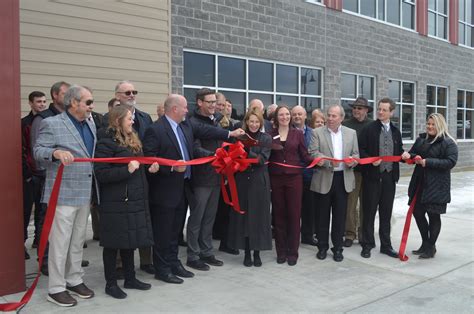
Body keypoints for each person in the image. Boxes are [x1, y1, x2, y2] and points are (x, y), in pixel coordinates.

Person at [142, 94, 244, 284]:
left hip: (183, 187)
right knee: (163, 232)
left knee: (175, 231)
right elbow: (149, 160)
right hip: (164, 191)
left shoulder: (186, 125)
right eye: (184, 108)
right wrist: (171, 167)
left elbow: (207, 130)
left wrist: (230, 134)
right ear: (174, 109)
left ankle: (174, 263)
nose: (187, 111)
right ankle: (162, 268)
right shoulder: (155, 130)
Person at [33, 85, 97, 307]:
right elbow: (38, 151)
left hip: (84, 192)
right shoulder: (51, 123)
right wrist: (55, 153)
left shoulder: (90, 123)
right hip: (62, 194)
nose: (92, 106)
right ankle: (56, 288)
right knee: (60, 243)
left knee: (78, 240)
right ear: (74, 103)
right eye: (88, 102)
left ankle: (74, 279)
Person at [94, 106, 159, 299]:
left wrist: (149, 169)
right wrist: (126, 170)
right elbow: (101, 173)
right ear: (117, 121)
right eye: (129, 119)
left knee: (130, 240)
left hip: (135, 199)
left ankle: (130, 278)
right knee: (113, 244)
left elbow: (138, 167)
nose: (132, 121)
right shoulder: (106, 142)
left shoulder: (133, 139)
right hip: (116, 202)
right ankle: (110, 283)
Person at [108, 80, 155, 275]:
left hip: (143, 176)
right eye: (127, 92)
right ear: (117, 95)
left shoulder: (145, 117)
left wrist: (151, 162)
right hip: (121, 181)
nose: (131, 95)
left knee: (144, 219)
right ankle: (120, 265)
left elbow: (151, 144)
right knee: (123, 224)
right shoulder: (107, 120)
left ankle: (146, 261)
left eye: (134, 92)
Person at [401, 113, 458, 259]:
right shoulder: (422, 139)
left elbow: (450, 162)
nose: (430, 127)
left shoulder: (448, 142)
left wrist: (428, 162)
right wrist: (408, 156)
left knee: (433, 216)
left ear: (440, 126)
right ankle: (425, 243)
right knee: (418, 213)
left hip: (437, 186)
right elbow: (414, 154)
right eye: (428, 124)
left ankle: (431, 246)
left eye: (433, 124)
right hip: (420, 184)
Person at [29, 81, 71, 275]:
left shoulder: (70, 117)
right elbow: (37, 150)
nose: (69, 97)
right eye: (65, 94)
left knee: (64, 225)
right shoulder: (43, 119)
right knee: (46, 220)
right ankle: (45, 259)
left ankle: (64, 258)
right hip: (48, 178)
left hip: (68, 180)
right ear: (55, 95)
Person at [309, 104, 359, 262]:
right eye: (328, 115)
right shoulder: (317, 132)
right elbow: (313, 153)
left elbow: (356, 154)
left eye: (333, 116)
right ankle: (322, 247)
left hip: (343, 180)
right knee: (322, 217)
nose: (330, 118)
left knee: (340, 217)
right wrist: (329, 163)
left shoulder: (351, 133)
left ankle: (338, 248)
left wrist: (353, 162)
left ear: (341, 118)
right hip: (324, 178)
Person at [186, 88, 226, 271]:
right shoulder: (192, 123)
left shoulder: (216, 121)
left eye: (214, 102)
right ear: (200, 103)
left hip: (216, 176)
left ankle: (207, 251)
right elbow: (195, 150)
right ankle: (193, 255)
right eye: (209, 102)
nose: (213, 105)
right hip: (201, 178)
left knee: (210, 217)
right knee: (197, 217)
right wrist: (215, 156)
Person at [359, 98, 404, 259]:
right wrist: (371, 160)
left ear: (391, 112)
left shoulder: (396, 131)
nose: (380, 112)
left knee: (386, 213)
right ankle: (367, 244)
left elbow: (399, 152)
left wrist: (405, 155)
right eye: (379, 109)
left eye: (384, 110)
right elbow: (361, 150)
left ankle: (386, 245)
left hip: (389, 178)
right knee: (369, 213)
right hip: (372, 177)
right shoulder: (368, 129)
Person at [268, 105, 313, 266]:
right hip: (276, 178)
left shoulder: (298, 134)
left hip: (294, 180)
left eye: (287, 114)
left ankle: (293, 252)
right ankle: (281, 251)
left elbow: (305, 154)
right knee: (279, 216)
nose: (285, 117)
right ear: (276, 117)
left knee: (294, 216)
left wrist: (319, 160)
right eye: (281, 114)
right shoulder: (270, 134)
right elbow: (266, 155)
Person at [227, 108, 272, 267]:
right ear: (246, 122)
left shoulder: (266, 138)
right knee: (244, 217)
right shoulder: (238, 137)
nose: (254, 124)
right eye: (251, 121)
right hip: (242, 180)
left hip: (259, 181)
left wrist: (247, 150)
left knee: (258, 217)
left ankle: (257, 252)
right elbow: (231, 156)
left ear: (261, 123)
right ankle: (246, 251)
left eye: (257, 121)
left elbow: (261, 159)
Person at [341, 97, 373, 247]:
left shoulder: (373, 125)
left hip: (368, 172)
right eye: (354, 108)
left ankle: (363, 233)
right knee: (350, 204)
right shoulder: (345, 125)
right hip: (351, 171)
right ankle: (349, 233)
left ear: (366, 110)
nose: (356, 111)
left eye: (360, 108)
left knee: (366, 205)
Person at [21, 91, 47, 259]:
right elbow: (22, 150)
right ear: (30, 103)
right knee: (25, 212)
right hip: (31, 175)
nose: (42, 104)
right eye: (38, 101)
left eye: (44, 101)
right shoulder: (24, 123)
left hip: (45, 174)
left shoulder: (48, 121)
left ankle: (39, 241)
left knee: (42, 210)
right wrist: (28, 173)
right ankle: (21, 243)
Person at [291, 105, 317, 246]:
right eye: (294, 114)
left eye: (300, 114)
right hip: (293, 176)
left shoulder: (314, 133)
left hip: (309, 176)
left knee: (309, 208)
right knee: (293, 208)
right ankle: (292, 235)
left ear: (305, 116)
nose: (297, 117)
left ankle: (307, 236)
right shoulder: (288, 132)